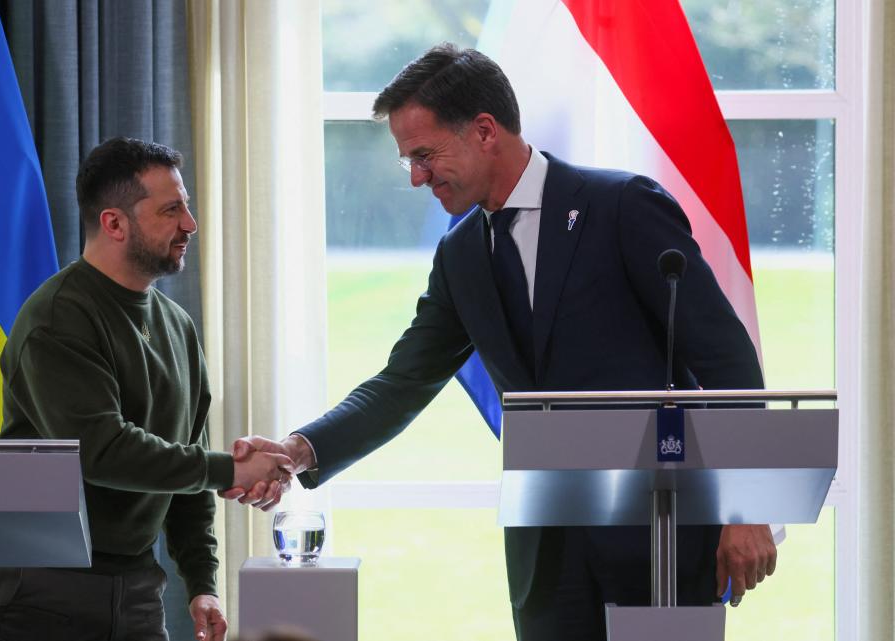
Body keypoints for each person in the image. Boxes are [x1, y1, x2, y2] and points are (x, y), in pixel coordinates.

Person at [225, 44, 776, 640]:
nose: (416, 176)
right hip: (546, 557)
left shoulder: (620, 206)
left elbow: (726, 358)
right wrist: (298, 450)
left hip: (660, 542)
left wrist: (745, 508)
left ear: (484, 131)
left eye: (424, 154)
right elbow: (402, 382)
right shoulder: (460, 254)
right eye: (407, 161)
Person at [0, 137, 293, 641]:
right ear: (114, 223)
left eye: (186, 205)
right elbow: (103, 450)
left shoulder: (178, 327)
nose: (190, 224)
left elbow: (182, 467)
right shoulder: (58, 318)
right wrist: (230, 468)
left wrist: (202, 582)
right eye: (171, 210)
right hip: (41, 590)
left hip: (137, 588)